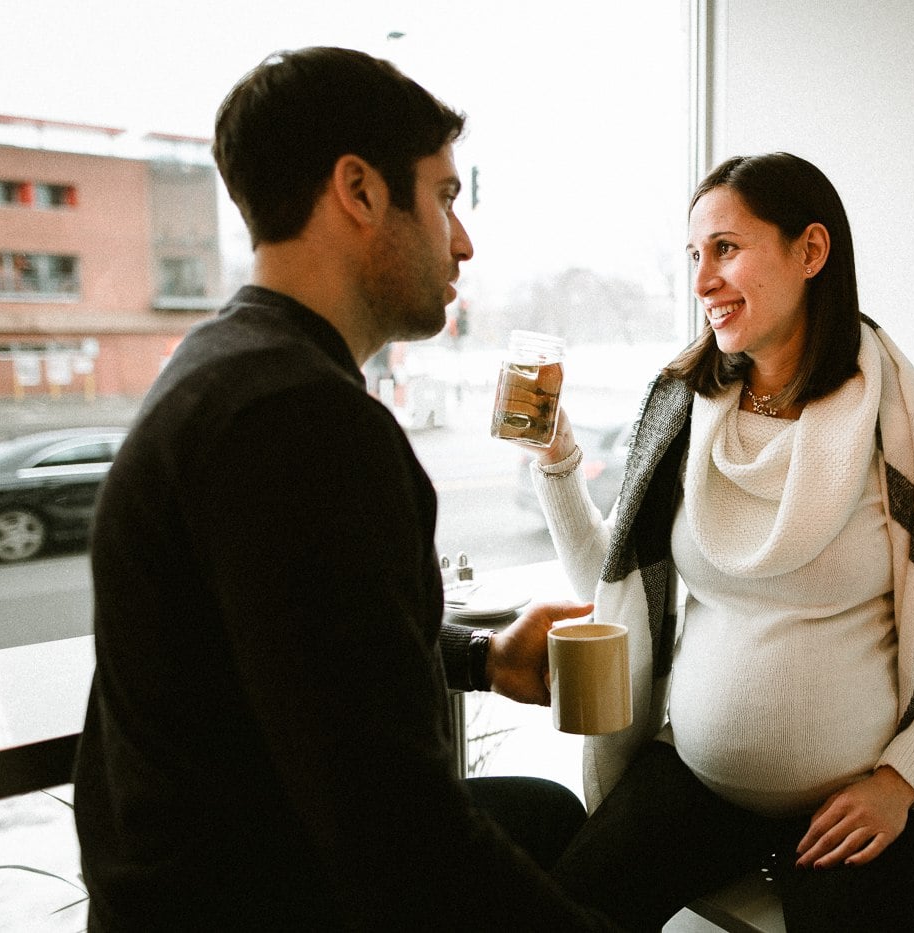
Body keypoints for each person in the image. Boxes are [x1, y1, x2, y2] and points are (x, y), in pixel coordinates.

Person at [72, 47, 620, 932]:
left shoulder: (228, 365)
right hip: (258, 897)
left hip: (191, 872)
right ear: (359, 191)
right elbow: (396, 832)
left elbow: (295, 650)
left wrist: (479, 657)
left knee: (545, 814)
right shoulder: (300, 421)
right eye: (444, 197)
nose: (463, 240)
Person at [513, 153, 914, 931]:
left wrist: (901, 780)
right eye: (693, 255)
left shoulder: (904, 433)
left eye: (725, 248)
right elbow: (611, 587)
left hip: (855, 802)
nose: (701, 280)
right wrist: (556, 457)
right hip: (696, 782)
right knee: (561, 913)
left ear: (810, 251)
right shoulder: (681, 409)